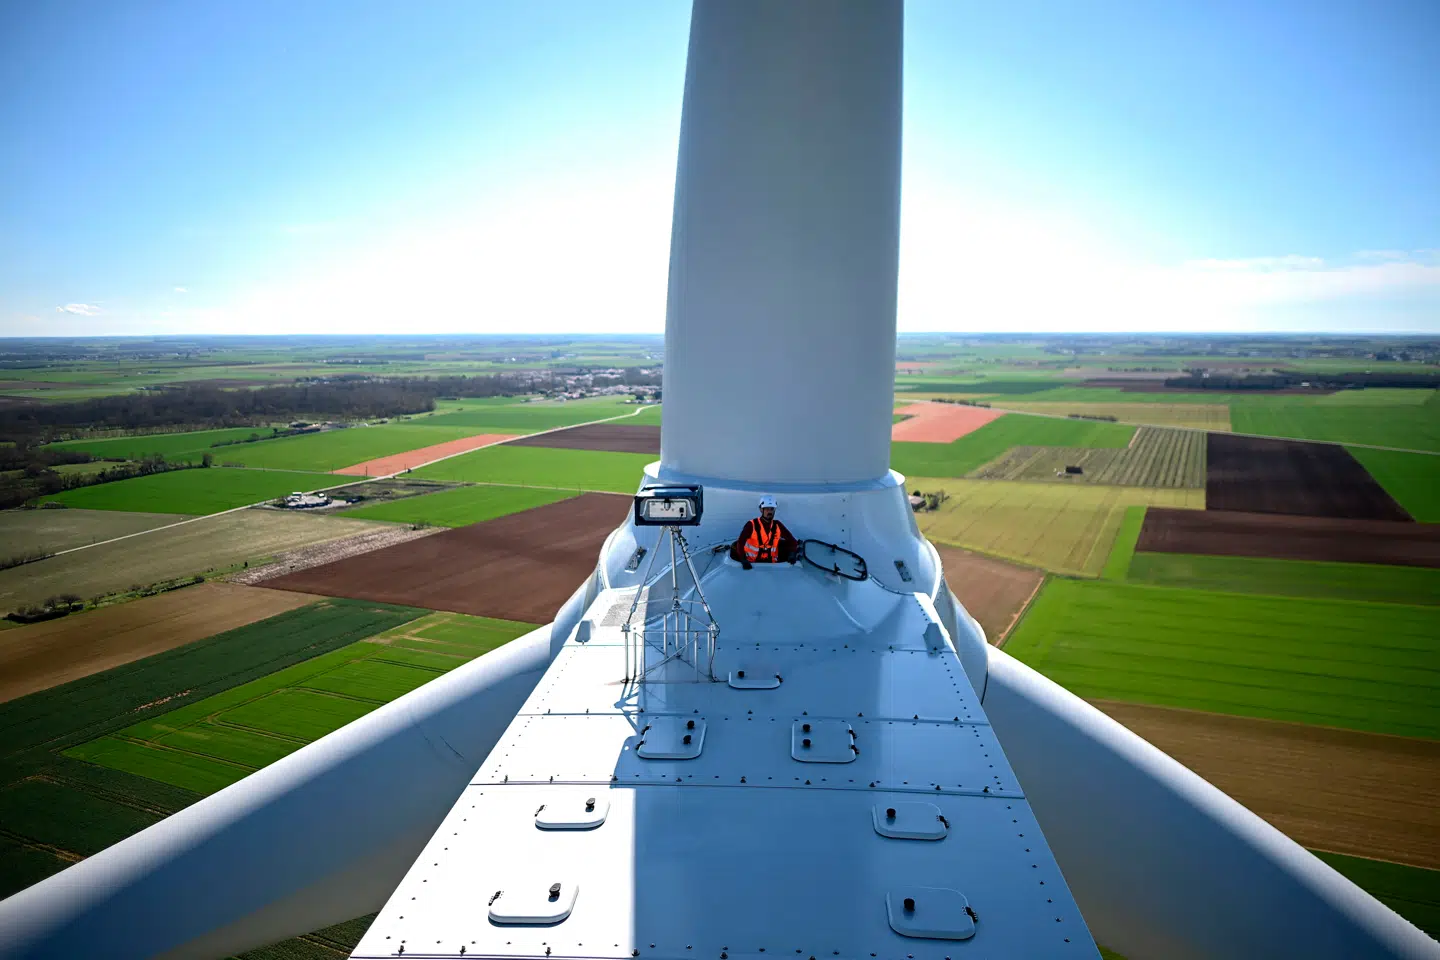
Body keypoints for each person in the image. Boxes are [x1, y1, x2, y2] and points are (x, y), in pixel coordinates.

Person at [730, 494, 799, 569]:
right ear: (761, 509)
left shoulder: (778, 525)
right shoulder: (751, 525)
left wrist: (791, 554)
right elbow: (740, 543)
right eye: (766, 509)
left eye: (772, 509)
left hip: (772, 566)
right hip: (751, 565)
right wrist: (743, 560)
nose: (769, 512)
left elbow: (792, 541)